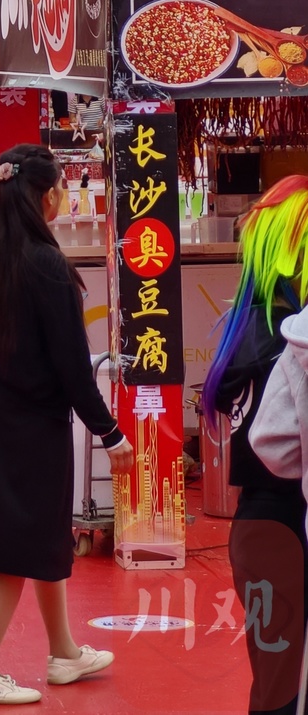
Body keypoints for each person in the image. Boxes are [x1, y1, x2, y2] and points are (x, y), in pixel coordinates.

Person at [0, 144, 132, 705]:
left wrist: (7, 332)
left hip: (1, 419)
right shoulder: (48, 264)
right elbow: (74, 367)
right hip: (38, 425)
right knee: (16, 553)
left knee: (46, 537)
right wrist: (110, 432)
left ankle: (65, 653)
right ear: (46, 197)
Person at [220, 179, 308, 715]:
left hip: (259, 527)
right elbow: (275, 446)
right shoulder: (288, 337)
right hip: (283, 527)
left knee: (275, 683)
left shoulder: (247, 324)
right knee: (282, 692)